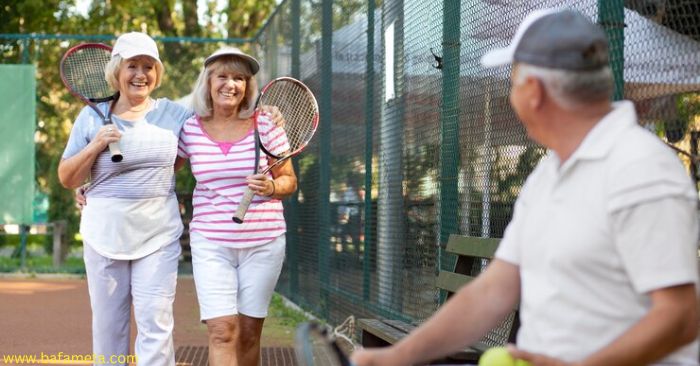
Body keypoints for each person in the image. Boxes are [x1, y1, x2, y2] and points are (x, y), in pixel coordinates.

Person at [352, 8, 699, 366]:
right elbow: (493, 290)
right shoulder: (550, 172)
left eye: (512, 80)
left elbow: (681, 316)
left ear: (532, 91)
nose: (510, 93)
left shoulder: (642, 169)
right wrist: (398, 356)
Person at [58, 32, 193, 366]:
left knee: (156, 326)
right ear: (117, 71)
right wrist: (95, 147)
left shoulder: (175, 114)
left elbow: (190, 149)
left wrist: (268, 115)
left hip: (158, 235)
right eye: (132, 65)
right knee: (108, 331)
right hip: (104, 235)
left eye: (149, 66)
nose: (140, 74)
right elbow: (67, 177)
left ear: (157, 73)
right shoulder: (91, 117)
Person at [176, 47, 297, 366]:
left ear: (248, 86)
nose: (231, 84)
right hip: (211, 243)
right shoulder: (189, 129)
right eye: (223, 76)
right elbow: (158, 168)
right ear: (208, 82)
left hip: (264, 242)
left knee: (247, 332)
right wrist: (95, 182)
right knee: (221, 331)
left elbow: (288, 180)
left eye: (240, 78)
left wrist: (271, 186)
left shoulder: (267, 124)